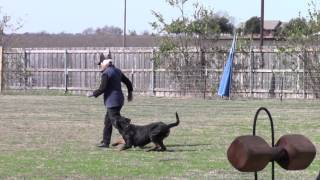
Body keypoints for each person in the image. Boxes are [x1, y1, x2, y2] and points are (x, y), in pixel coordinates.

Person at [87, 52, 133, 148]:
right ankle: (105, 142)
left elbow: (102, 88)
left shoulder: (106, 73)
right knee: (108, 121)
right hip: (119, 100)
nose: (100, 66)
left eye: (100, 64)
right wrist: (130, 93)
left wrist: (92, 94)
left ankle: (128, 128)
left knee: (116, 121)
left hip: (113, 101)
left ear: (105, 64)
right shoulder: (117, 71)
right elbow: (128, 82)